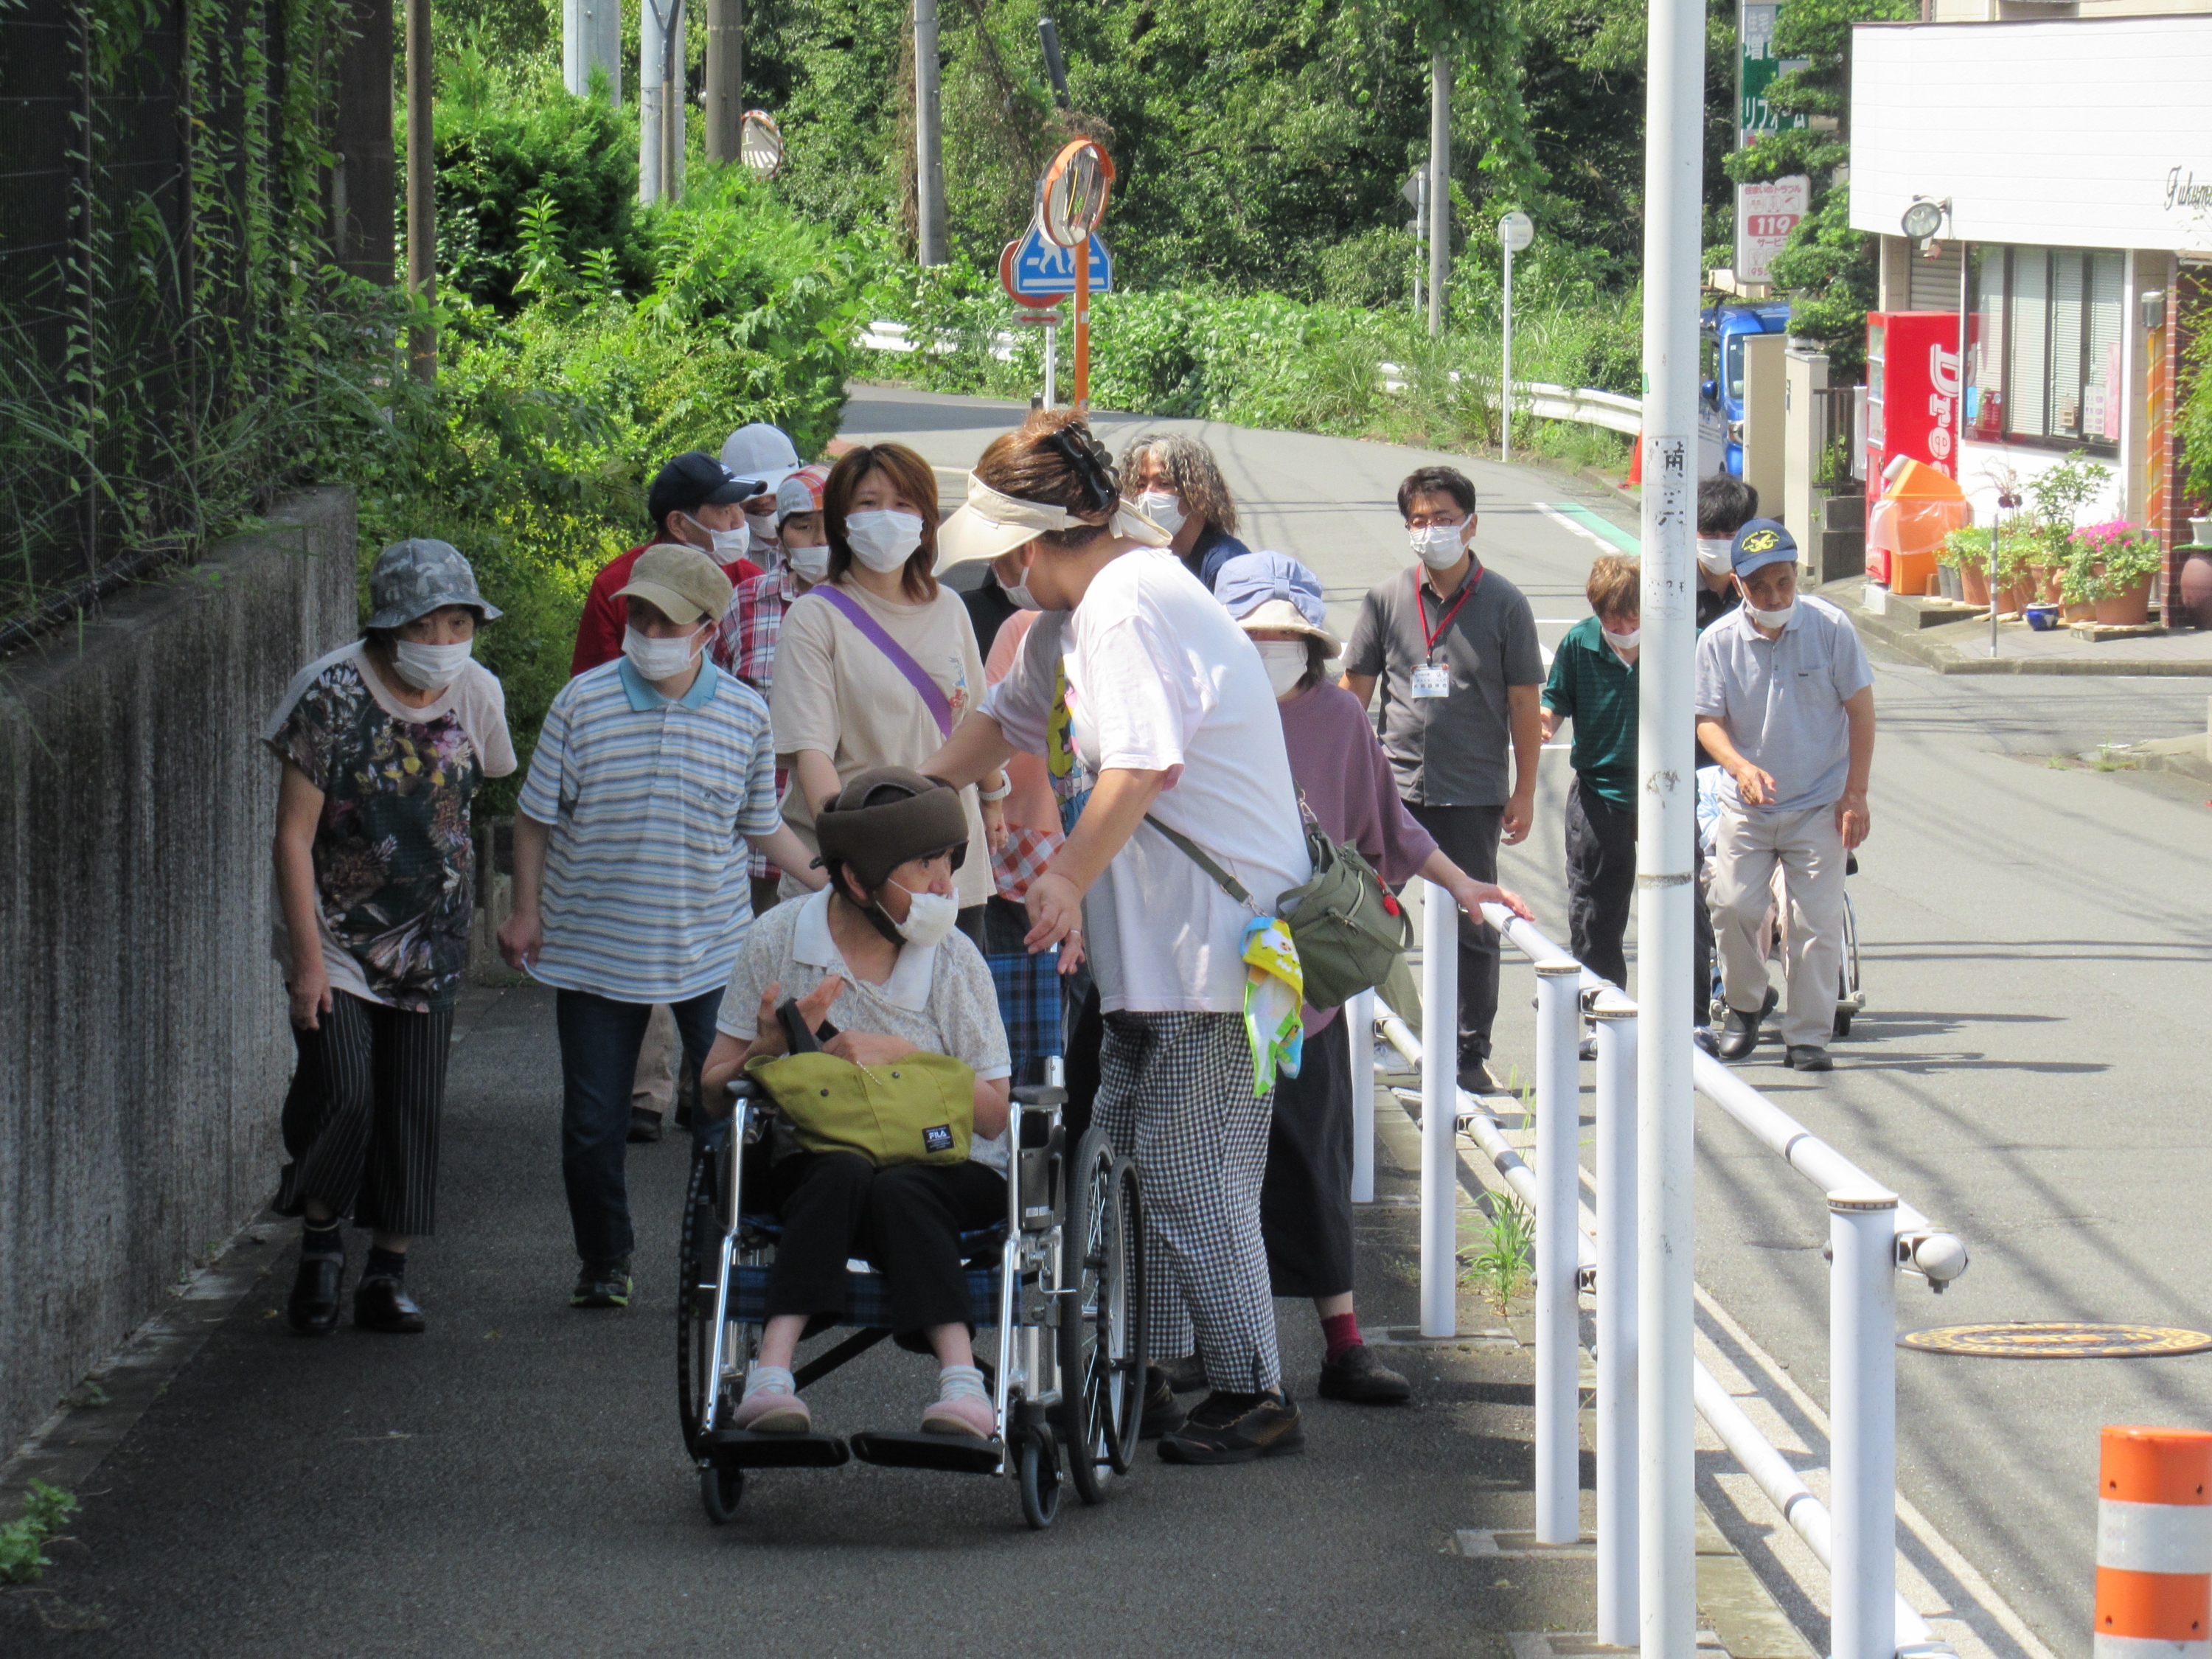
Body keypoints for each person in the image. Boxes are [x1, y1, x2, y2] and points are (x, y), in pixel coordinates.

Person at [924, 411, 1312, 1466]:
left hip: (1214, 952)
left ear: (1036, 539)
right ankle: (1154, 1369)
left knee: (1187, 1174)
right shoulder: (1081, 610)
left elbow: (1141, 766)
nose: (1002, 570)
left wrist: (1062, 876)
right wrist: (910, 796)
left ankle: (1253, 1387)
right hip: (1173, 950)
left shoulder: (1128, 604)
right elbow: (1001, 722)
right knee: (1141, 1159)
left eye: (1007, 550)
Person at [1218, 551, 1531, 1405]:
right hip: (1203, 968)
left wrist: (1465, 884)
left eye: (1287, 635)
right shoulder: (1197, 709)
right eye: (1256, 634)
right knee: (1204, 1169)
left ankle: (1343, 1339)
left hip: (1298, 977)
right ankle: (1188, 1350)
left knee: (1314, 1154)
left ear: (1312, 643)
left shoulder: (1337, 719)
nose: (1272, 648)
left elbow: (1386, 827)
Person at [500, 545, 823, 1309]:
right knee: (591, 1123)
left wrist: (828, 878)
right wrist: (525, 911)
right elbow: (534, 816)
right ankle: (604, 1259)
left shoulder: (745, 713)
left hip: (711, 949)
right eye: (637, 615)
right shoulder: (581, 703)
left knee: (724, 1115)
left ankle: (718, 1258)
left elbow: (761, 826)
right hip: (592, 950)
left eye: (665, 619)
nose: (645, 629)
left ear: (708, 629)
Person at [698, 769, 1013, 1440]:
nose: (944, 887)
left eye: (947, 864)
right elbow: (710, 1089)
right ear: (858, 883)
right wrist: (767, 1046)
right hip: (813, 1165)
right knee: (837, 1168)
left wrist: (905, 1058)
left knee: (902, 1188)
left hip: (940, 1168)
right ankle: (771, 1376)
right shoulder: (779, 940)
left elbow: (995, 1113)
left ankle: (963, 1385)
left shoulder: (955, 960)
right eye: (923, 866)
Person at [266, 539, 515, 1337]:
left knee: (411, 1106)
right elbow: (292, 839)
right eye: (429, 625)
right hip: (337, 934)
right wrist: (306, 961)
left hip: (431, 936)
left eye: (458, 624)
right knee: (343, 1090)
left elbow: (484, 790)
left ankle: (388, 1271)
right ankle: (320, 1243)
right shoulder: (331, 692)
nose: (445, 643)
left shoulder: (476, 693)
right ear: (388, 627)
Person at [1340, 466, 1543, 1093]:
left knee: (1473, 921)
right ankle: (1373, 1030)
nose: (1432, 532)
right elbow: (1354, 696)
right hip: (1392, 788)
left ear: (1472, 524)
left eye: (1444, 519)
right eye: (1420, 521)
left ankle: (1466, 1051)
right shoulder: (1386, 600)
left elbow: (1524, 705)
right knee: (1362, 909)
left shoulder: (1505, 604)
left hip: (1473, 790)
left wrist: (1526, 790)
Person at [768, 442, 1005, 942]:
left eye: (903, 504)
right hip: (859, 880)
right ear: (842, 520)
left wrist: (994, 797)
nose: (886, 517)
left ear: (925, 521)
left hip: (949, 877)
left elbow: (977, 726)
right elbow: (812, 757)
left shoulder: (950, 609)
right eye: (868, 503)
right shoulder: (814, 618)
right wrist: (856, 861)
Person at [1694, 519, 1875, 1072]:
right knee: (1733, 905)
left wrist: (1856, 794)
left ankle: (1808, 1036)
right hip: (1745, 805)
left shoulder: (1831, 627)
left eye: (1785, 582)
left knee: (1814, 923)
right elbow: (1707, 722)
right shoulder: (1718, 641)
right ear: (1740, 585)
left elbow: (1861, 711)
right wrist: (1740, 766)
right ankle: (1747, 1003)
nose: (1775, 596)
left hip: (1818, 802)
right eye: (1762, 586)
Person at [714, 462, 831, 918]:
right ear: (780, 537)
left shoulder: (878, 609)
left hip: (842, 841)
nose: (820, 541)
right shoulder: (744, 604)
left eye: (831, 527)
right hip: (756, 845)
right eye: (803, 527)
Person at [1540, 554, 1642, 994]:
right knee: (1594, 906)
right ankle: (1603, 1005)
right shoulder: (1581, 643)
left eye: (1631, 619)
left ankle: (1691, 1015)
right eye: (1611, 622)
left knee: (1687, 902)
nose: (1621, 631)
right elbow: (1554, 702)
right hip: (1599, 793)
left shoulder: (1680, 641)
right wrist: (1542, 724)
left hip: (1669, 792)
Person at [569, 452, 765, 677]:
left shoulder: (750, 581)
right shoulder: (616, 586)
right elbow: (592, 686)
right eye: (725, 511)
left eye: (738, 507)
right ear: (678, 524)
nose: (739, 523)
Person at [1692, 476, 1759, 1029]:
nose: (1717, 543)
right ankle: (1709, 992)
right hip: (1691, 765)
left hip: (1759, 758)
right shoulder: (1665, 596)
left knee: (1743, 882)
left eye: (1729, 533)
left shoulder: (1767, 593)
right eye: (1708, 533)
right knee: (1702, 883)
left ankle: (1737, 981)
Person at [1121, 431, 1251, 590]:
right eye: (1141, 485)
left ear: (1198, 493)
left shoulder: (1225, 563)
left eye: (1163, 484)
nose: (1148, 495)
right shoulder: (1148, 557)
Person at [720, 422, 807, 571]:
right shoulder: (721, 553)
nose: (762, 500)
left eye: (773, 491)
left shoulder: (827, 544)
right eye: (751, 492)